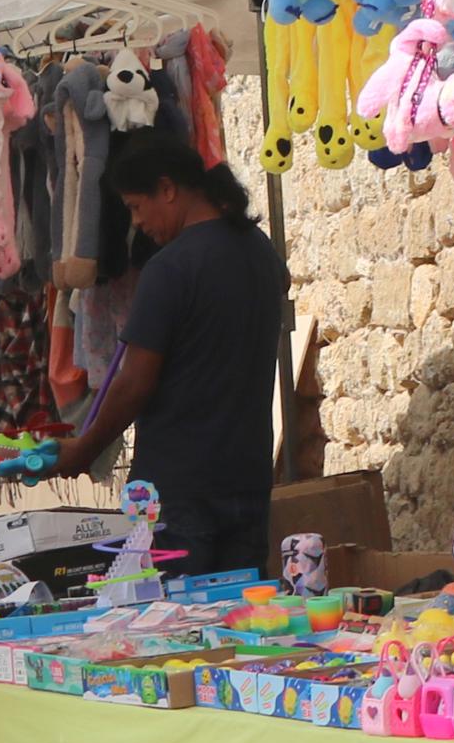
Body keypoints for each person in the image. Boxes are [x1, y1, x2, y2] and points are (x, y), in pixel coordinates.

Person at [29, 130, 290, 578]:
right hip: (247, 480)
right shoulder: (263, 253)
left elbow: (135, 381)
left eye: (136, 206)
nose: (137, 223)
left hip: (179, 491)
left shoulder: (170, 269)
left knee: (172, 632)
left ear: (167, 190)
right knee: (236, 625)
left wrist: (84, 448)